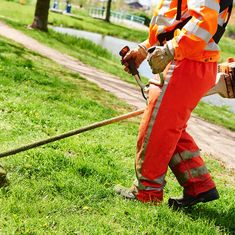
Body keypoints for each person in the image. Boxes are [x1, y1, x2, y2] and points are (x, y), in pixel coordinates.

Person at [115, 0, 232, 208]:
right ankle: (199, 184)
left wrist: (170, 49)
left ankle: (147, 192)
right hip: (188, 59)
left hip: (186, 61)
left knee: (157, 130)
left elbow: (204, 21)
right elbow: (173, 22)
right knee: (167, 125)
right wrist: (144, 49)